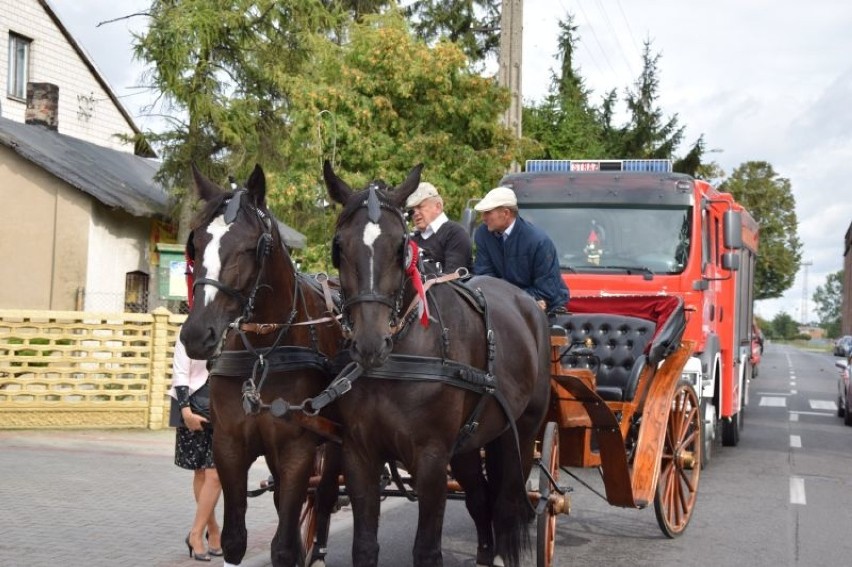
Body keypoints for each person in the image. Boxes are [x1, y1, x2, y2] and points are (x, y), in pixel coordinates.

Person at [472, 185, 569, 314]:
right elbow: (484, 276)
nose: (483, 218)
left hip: (545, 311)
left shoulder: (538, 241)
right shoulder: (483, 234)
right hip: (503, 306)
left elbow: (547, 291)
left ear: (506, 213)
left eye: (488, 212)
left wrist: (508, 298)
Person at [169, 338, 222, 562]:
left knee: (216, 475)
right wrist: (185, 411)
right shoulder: (190, 330)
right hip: (193, 405)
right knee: (201, 472)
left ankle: (197, 532)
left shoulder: (231, 326)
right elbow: (180, 371)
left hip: (223, 406)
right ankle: (209, 531)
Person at [405, 181, 473, 274]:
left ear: (438, 207)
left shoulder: (455, 233)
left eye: (420, 207)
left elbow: (453, 279)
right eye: (412, 210)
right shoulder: (411, 239)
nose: (415, 213)